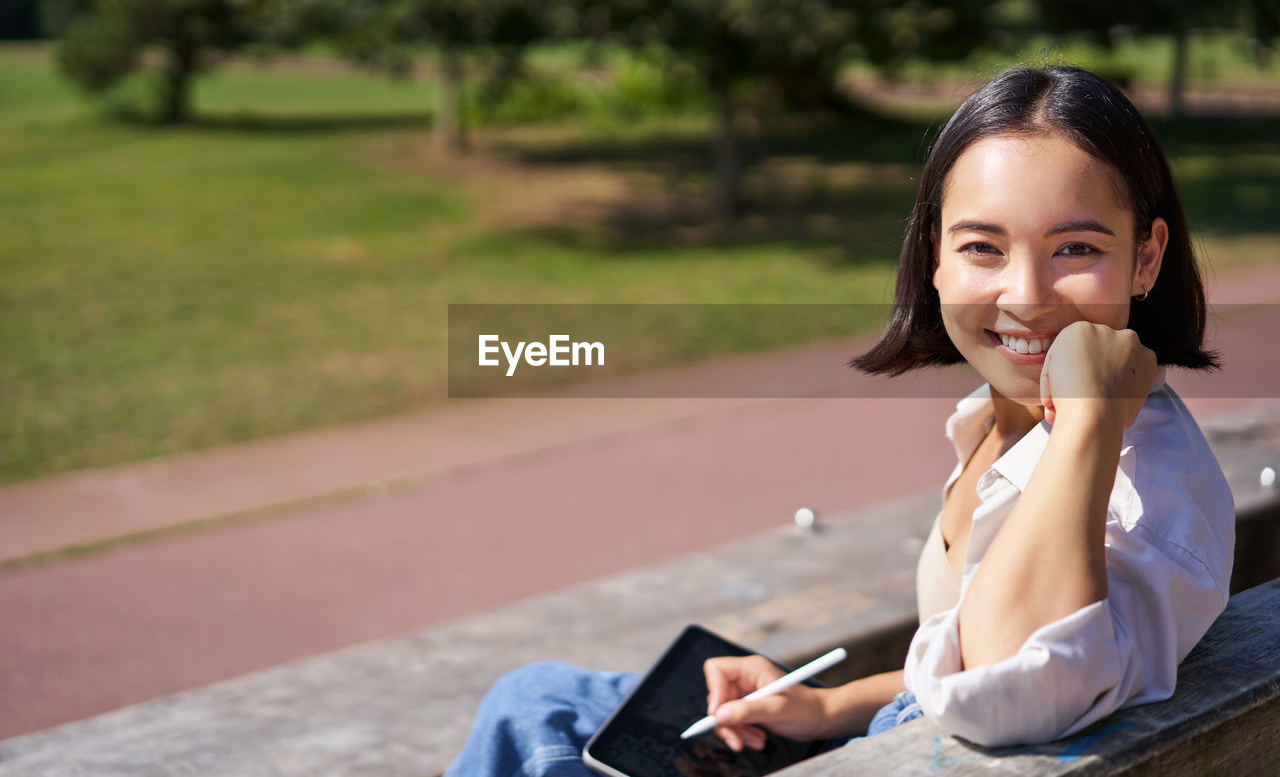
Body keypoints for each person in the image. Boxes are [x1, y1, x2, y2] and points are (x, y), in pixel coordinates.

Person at [444, 65, 1234, 774]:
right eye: (983, 247)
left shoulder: (1138, 495)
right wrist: (825, 705)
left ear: (1145, 257)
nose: (1024, 294)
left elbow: (1008, 682)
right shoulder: (1006, 421)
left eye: (1075, 249)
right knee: (539, 698)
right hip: (903, 734)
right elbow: (964, 643)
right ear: (933, 252)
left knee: (533, 729)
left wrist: (1089, 423)